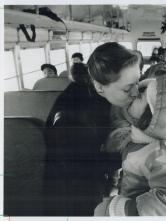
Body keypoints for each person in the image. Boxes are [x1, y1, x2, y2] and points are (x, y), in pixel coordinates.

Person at [44, 42, 141, 216]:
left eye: (137, 82)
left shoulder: (95, 95)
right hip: (71, 197)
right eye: (127, 88)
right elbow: (80, 167)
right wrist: (133, 155)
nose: (136, 92)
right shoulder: (73, 118)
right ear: (99, 86)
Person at [94, 75, 166, 216]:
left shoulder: (161, 155)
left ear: (154, 117)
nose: (134, 93)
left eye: (141, 95)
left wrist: (120, 209)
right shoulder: (139, 140)